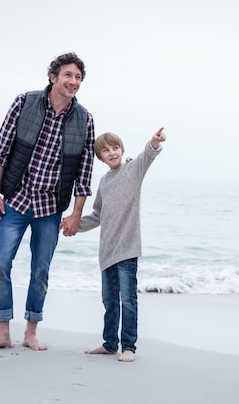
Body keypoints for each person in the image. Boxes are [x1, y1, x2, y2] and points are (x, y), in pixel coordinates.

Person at [0, 52, 95, 351]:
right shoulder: (24, 103)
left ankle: (31, 333)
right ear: (53, 76)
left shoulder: (85, 119)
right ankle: (3, 331)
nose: (73, 82)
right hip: (16, 199)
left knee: (41, 270)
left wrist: (75, 214)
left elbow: (84, 172)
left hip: (50, 208)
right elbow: (1, 150)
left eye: (78, 77)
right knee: (0, 264)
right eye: (68, 75)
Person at [60, 127, 166, 362]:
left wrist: (154, 142)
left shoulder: (132, 170)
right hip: (107, 251)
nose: (112, 152)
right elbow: (97, 215)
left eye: (115, 147)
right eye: (106, 150)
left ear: (122, 149)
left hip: (127, 249)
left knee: (128, 300)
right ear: (100, 157)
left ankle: (129, 347)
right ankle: (109, 343)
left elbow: (147, 156)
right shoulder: (104, 181)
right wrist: (74, 224)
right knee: (109, 301)